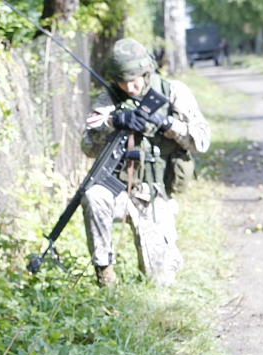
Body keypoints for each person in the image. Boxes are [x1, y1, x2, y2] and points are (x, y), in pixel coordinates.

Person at [81, 39, 210, 287]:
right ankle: (104, 272)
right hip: (118, 191)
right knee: (94, 195)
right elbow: (86, 146)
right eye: (122, 80)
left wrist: (168, 124)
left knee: (160, 280)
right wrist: (113, 123)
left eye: (135, 79)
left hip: (154, 195)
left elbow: (202, 141)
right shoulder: (108, 99)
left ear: (147, 71)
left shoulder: (173, 92)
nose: (129, 87)